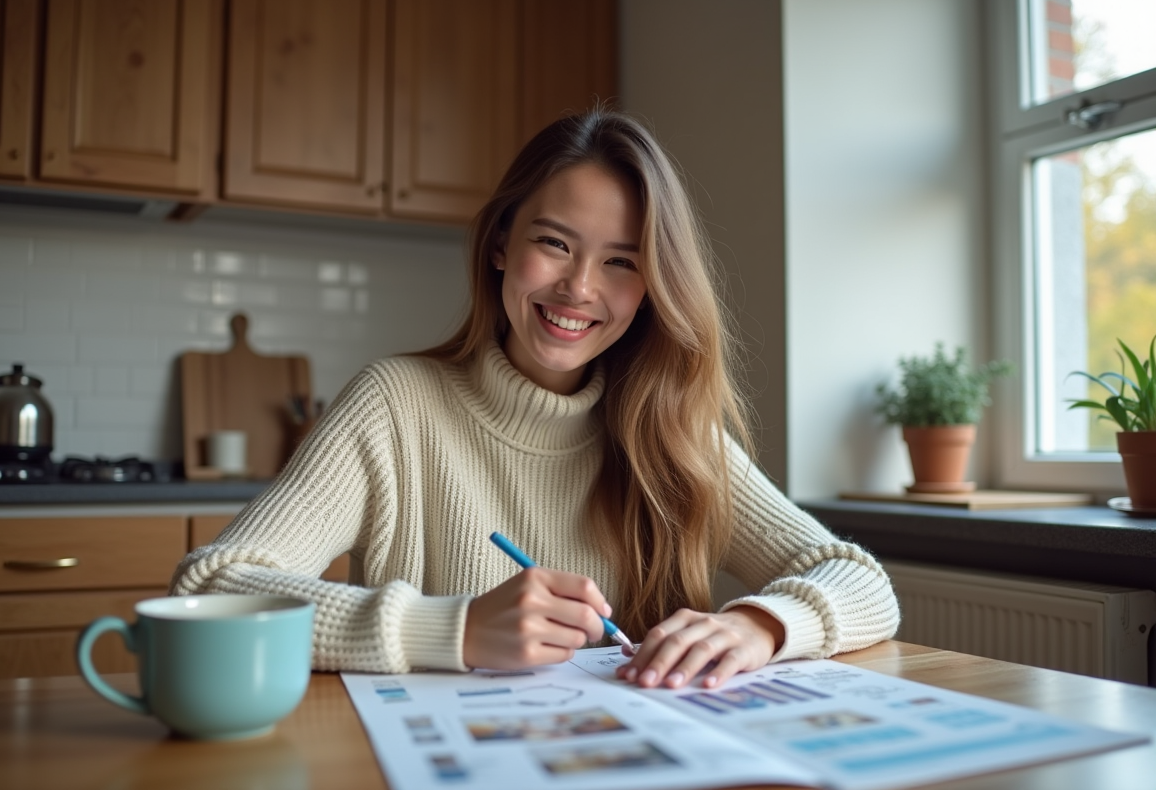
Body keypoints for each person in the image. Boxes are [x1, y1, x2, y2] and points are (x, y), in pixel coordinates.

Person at [171, 109, 899, 690]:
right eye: (554, 243)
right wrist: (450, 630)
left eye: (621, 262)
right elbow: (211, 586)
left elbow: (862, 581)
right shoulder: (394, 405)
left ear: (651, 290)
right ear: (499, 244)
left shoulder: (676, 427)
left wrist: (760, 625)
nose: (580, 288)